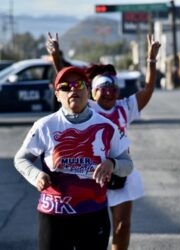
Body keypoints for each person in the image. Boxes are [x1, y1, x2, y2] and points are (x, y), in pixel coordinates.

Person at [46, 33, 161, 250]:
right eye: (103, 89)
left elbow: (148, 89)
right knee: (88, 228)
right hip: (90, 174)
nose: (108, 94)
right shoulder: (87, 106)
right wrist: (55, 57)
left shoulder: (125, 107)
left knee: (122, 225)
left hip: (118, 170)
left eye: (113, 89)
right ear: (92, 92)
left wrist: (151, 60)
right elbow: (66, 83)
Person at [14, 66, 134, 250]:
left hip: (93, 213)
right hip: (54, 215)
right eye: (65, 86)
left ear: (88, 90)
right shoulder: (45, 125)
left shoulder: (107, 127)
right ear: (57, 95)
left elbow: (128, 165)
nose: (72, 89)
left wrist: (112, 163)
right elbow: (21, 159)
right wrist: (36, 176)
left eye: (78, 84)